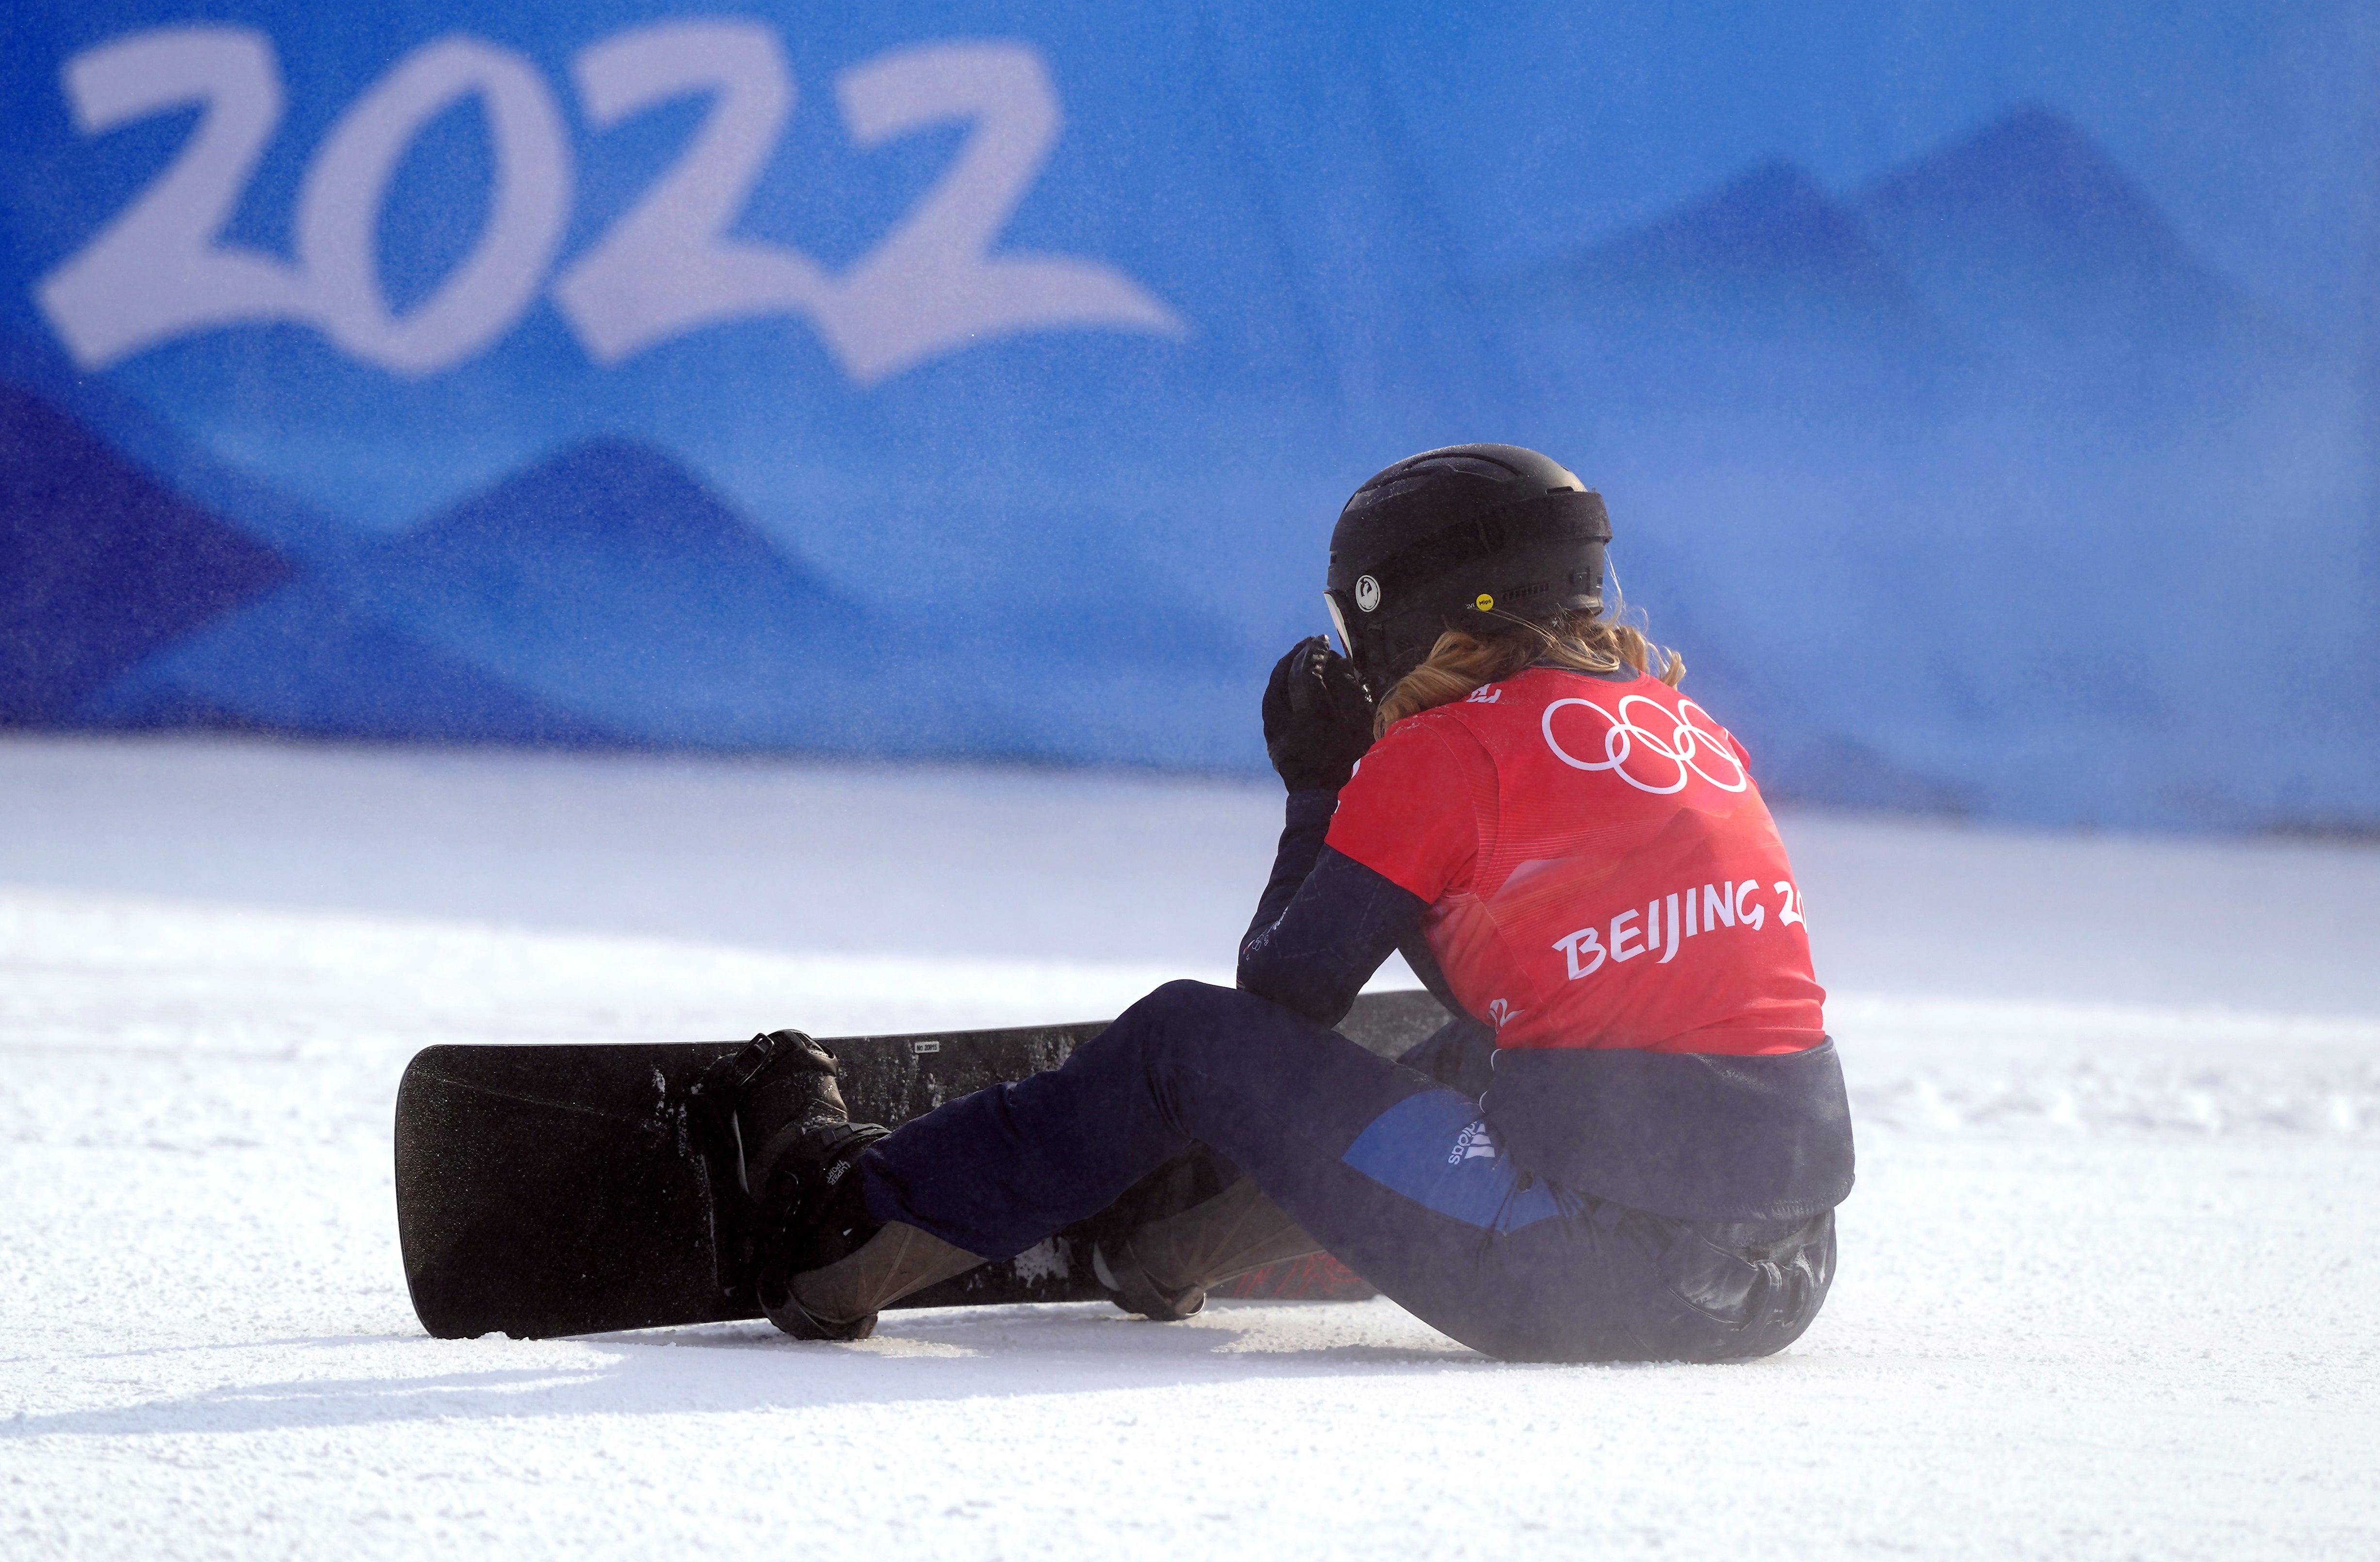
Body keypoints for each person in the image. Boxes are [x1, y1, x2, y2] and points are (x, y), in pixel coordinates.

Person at [700, 443, 1853, 1361]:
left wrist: (1319, 788)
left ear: (1406, 609)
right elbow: (1506, 984)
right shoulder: (1691, 731)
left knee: (1178, 1039)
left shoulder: (1448, 752)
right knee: (1479, 1050)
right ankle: (1163, 1248)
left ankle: (838, 1237)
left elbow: (1279, 994)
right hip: (1784, 1277)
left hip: (1595, 1275)